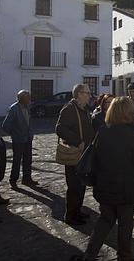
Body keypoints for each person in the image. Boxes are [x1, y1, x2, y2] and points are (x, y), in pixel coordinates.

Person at [72, 97, 134, 261]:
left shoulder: (103, 132)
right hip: (127, 187)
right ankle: (125, 257)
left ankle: (89, 255)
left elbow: (95, 160)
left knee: (105, 220)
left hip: (105, 184)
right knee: (125, 223)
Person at [56, 84, 95, 226]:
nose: (90, 95)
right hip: (74, 153)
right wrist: (78, 141)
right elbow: (60, 128)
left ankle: (77, 210)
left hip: (84, 154)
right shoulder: (69, 109)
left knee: (81, 184)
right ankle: (70, 215)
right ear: (79, 94)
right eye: (87, 93)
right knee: (74, 186)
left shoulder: (83, 109)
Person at [2, 89, 38, 188]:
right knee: (17, 160)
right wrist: (15, 134)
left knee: (28, 160)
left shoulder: (27, 107)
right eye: (28, 97)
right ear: (22, 98)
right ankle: (13, 180)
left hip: (28, 138)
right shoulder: (14, 109)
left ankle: (27, 179)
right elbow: (5, 125)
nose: (30, 99)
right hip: (18, 140)